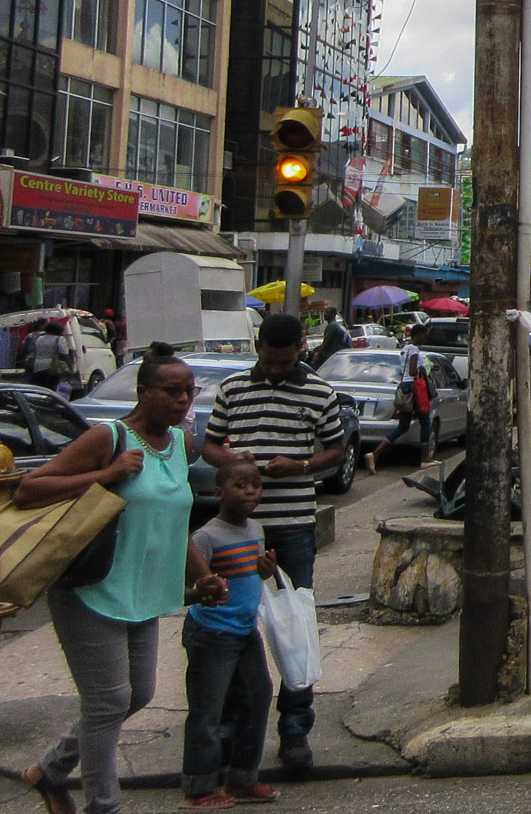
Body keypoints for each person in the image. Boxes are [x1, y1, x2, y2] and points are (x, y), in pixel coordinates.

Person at [18, 344, 205, 814]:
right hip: (90, 587)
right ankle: (104, 806)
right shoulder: (109, 437)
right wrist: (106, 474)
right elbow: (29, 488)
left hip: (143, 591)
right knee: (107, 703)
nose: (183, 400)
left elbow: (176, 522)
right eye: (172, 390)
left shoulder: (182, 443)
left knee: (137, 694)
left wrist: (204, 576)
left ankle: (51, 770)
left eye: (189, 391)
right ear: (144, 393)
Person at [201, 313, 345, 779]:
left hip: (292, 527)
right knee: (230, 624)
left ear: (301, 348)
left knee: (293, 625)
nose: (279, 369)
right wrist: (237, 462)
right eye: (271, 360)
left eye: (288, 361)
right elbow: (209, 447)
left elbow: (335, 451)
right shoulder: (232, 388)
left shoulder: (320, 392)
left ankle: (295, 729)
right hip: (236, 529)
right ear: (258, 347)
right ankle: (227, 733)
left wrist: (300, 464)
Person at [181, 460, 279, 810]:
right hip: (212, 634)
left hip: (244, 631)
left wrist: (264, 572)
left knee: (258, 696)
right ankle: (199, 787)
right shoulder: (206, 537)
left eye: (256, 484)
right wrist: (203, 591)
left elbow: (250, 577)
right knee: (208, 711)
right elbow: (183, 589)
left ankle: (242, 779)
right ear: (218, 493)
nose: (251, 491)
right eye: (241, 485)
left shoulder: (256, 530)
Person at [368, 329, 434, 474]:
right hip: (413, 387)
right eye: (424, 335)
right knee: (425, 420)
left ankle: (375, 453)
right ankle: (425, 459)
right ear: (418, 335)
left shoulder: (404, 349)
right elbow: (412, 371)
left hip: (403, 385)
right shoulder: (414, 349)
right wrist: (422, 369)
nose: (425, 339)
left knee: (403, 426)